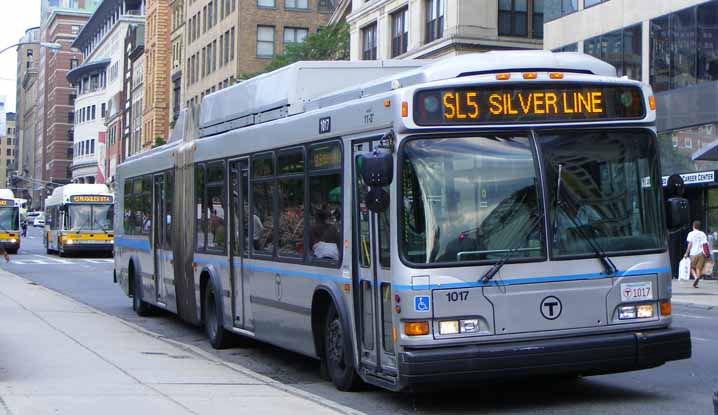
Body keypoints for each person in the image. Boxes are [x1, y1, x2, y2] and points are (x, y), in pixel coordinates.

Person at [684, 220, 709, 288]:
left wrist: (686, 253)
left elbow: (690, 244)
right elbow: (705, 244)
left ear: (693, 226)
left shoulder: (691, 234)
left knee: (691, 267)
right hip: (701, 253)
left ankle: (695, 277)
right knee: (698, 268)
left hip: (693, 253)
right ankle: (697, 279)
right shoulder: (702, 233)